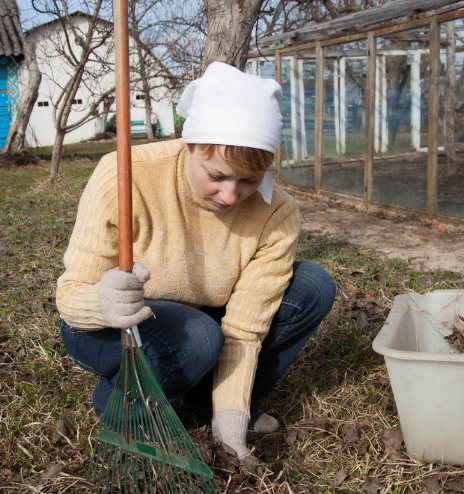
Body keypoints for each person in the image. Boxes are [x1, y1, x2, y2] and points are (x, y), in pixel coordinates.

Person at [56, 62, 336, 461]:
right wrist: (102, 302)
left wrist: (231, 426)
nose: (229, 195)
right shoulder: (126, 175)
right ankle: (125, 410)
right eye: (217, 175)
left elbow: (243, 330)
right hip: (113, 323)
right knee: (200, 338)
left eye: (248, 181)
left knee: (312, 285)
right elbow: (69, 297)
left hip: (203, 318)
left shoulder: (276, 215)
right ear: (189, 143)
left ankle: (209, 404)